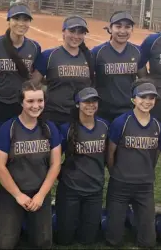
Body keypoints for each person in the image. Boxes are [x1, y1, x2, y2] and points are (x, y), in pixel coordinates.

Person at [0, 81, 62, 249]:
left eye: (40, 101)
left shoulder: (49, 127)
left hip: (39, 192)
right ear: (21, 102)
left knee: (43, 243)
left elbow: (55, 164)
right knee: (4, 245)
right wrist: (18, 195)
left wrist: (41, 195)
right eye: (30, 101)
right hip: (13, 193)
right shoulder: (8, 128)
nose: (36, 105)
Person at [105, 79, 161, 248]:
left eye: (151, 98)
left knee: (148, 242)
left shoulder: (158, 126)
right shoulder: (120, 122)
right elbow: (110, 153)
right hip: (120, 183)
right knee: (113, 240)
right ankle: (114, 218)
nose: (147, 101)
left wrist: (146, 173)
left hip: (144, 185)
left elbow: (155, 155)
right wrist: (115, 173)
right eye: (143, 97)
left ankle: (139, 220)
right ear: (133, 99)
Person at [55, 87, 109, 245]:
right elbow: (56, 159)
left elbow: (108, 156)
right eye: (86, 101)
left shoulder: (105, 126)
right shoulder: (67, 129)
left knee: (88, 240)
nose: (91, 105)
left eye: (94, 101)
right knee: (64, 239)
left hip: (94, 190)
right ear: (77, 104)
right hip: (70, 189)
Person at [0, 3, 41, 123]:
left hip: (21, 104)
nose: (21, 23)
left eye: (25, 20)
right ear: (9, 21)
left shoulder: (34, 47)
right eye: (16, 19)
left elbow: (34, 75)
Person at [31, 15, 95, 126]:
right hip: (53, 116)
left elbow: (92, 84)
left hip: (80, 116)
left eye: (80, 32)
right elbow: (32, 84)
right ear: (63, 32)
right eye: (72, 31)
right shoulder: (49, 55)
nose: (76, 36)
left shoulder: (89, 57)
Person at [92, 11, 145, 122]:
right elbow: (89, 80)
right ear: (110, 29)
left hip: (128, 110)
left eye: (127, 27)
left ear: (132, 30)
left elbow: (143, 80)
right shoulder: (98, 52)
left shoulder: (137, 51)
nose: (122, 31)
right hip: (103, 111)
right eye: (118, 26)